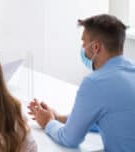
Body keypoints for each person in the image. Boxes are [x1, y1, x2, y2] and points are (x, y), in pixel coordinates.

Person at [28, 14, 135, 151]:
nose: (83, 48)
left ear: (96, 47)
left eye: (84, 43)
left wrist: (48, 122)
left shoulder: (95, 83)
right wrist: (59, 118)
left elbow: (69, 138)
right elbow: (110, 117)